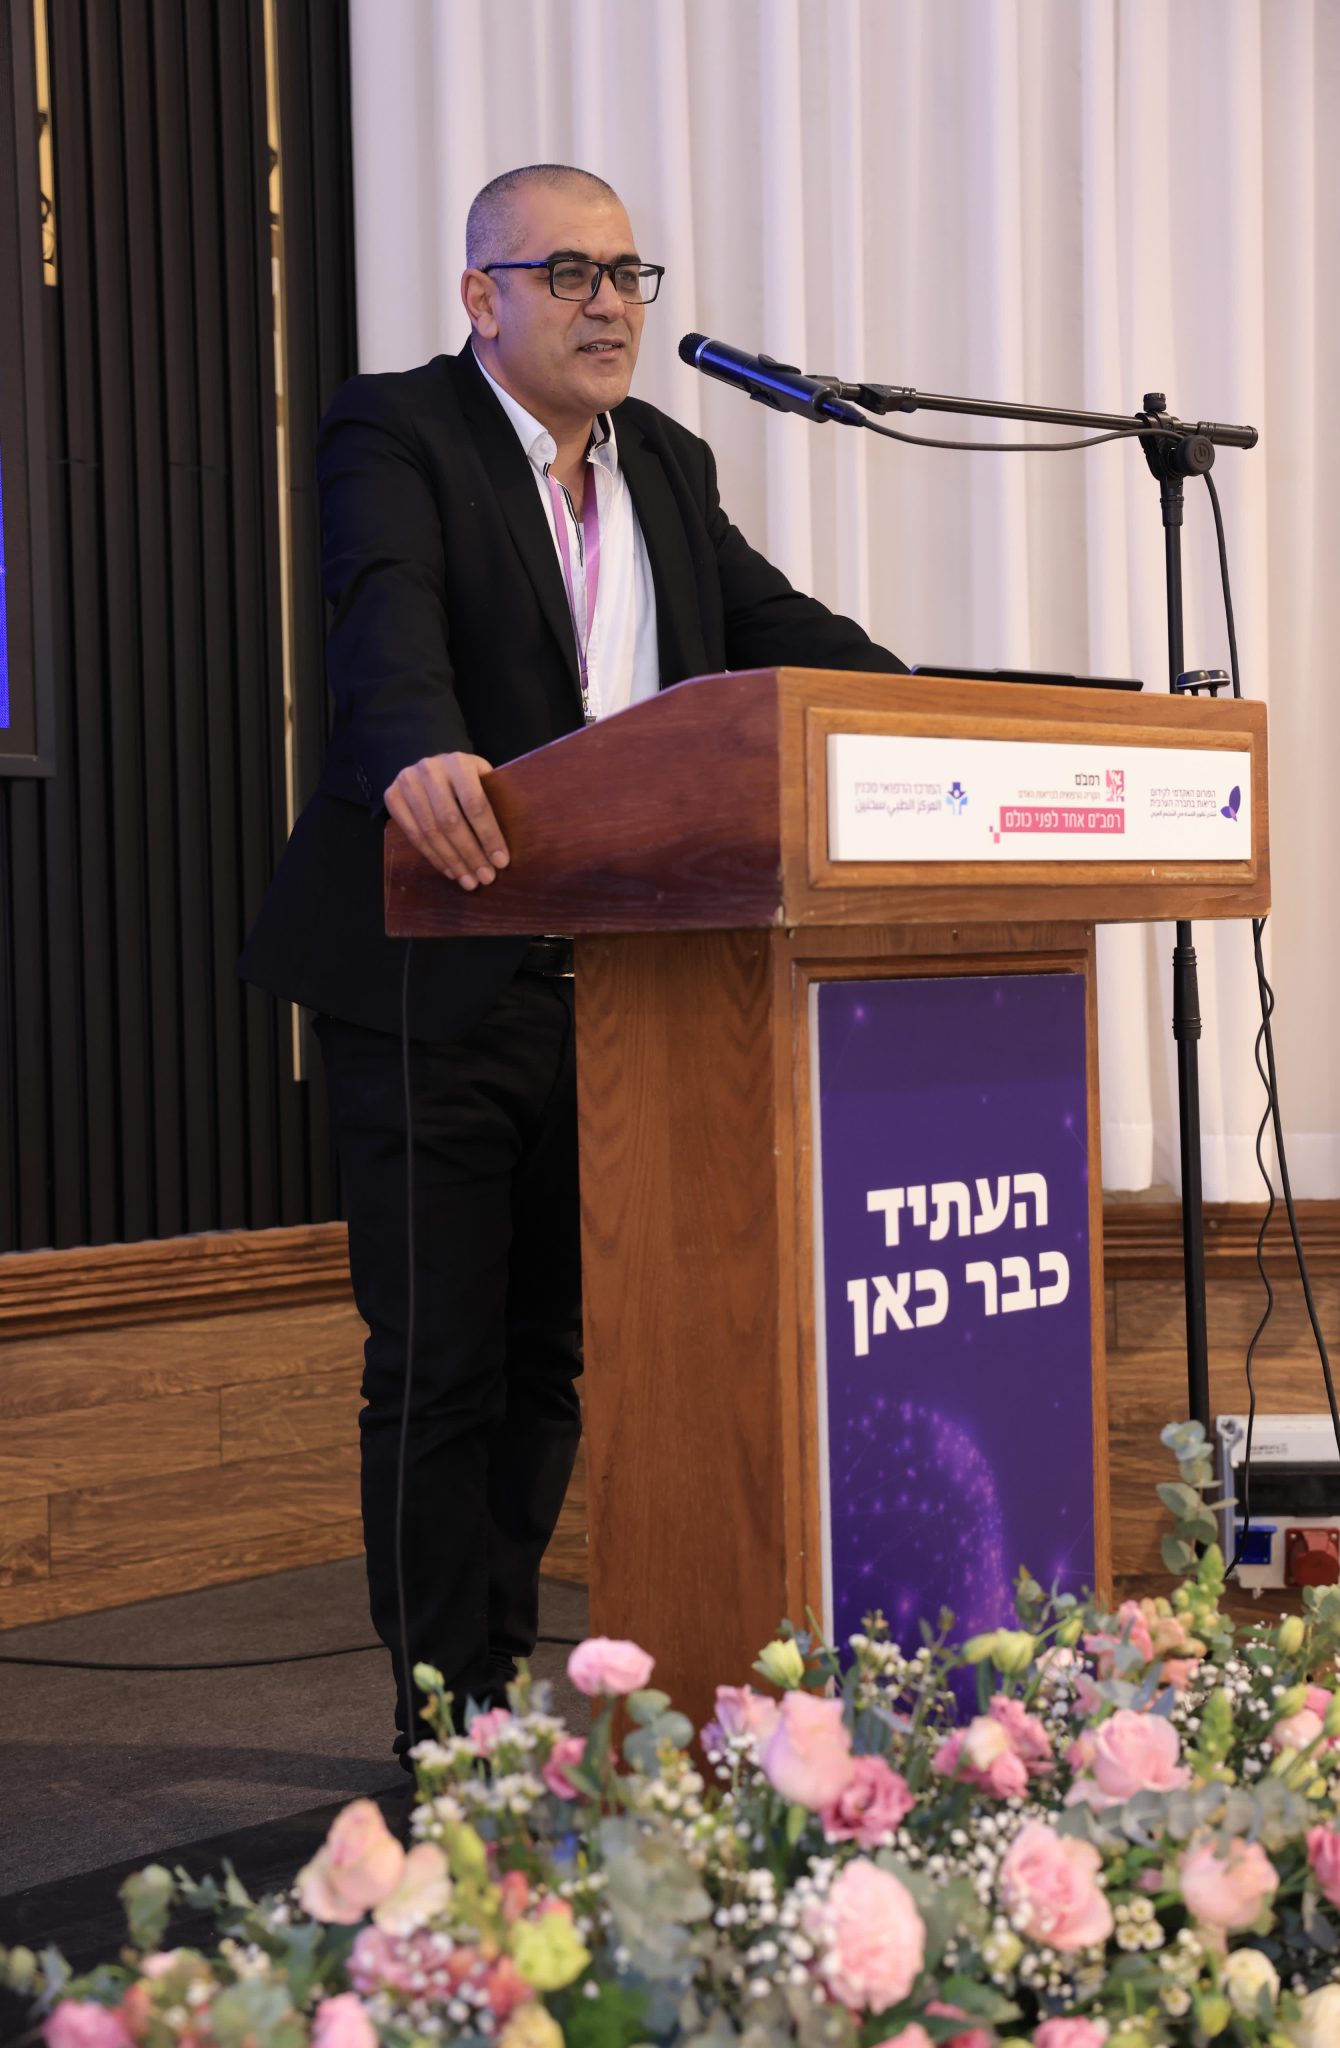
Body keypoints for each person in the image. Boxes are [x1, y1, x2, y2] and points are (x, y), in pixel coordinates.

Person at [240, 163, 907, 1761]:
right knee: (438, 1365)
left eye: (626, 274)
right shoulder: (399, 430)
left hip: (617, 992)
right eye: (569, 275)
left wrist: (929, 710)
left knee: (549, 1358)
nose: (609, 304)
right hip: (433, 965)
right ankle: (440, 1717)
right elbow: (382, 617)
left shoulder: (664, 459)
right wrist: (419, 747)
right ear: (484, 296)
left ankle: (496, 1680)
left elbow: (770, 627)